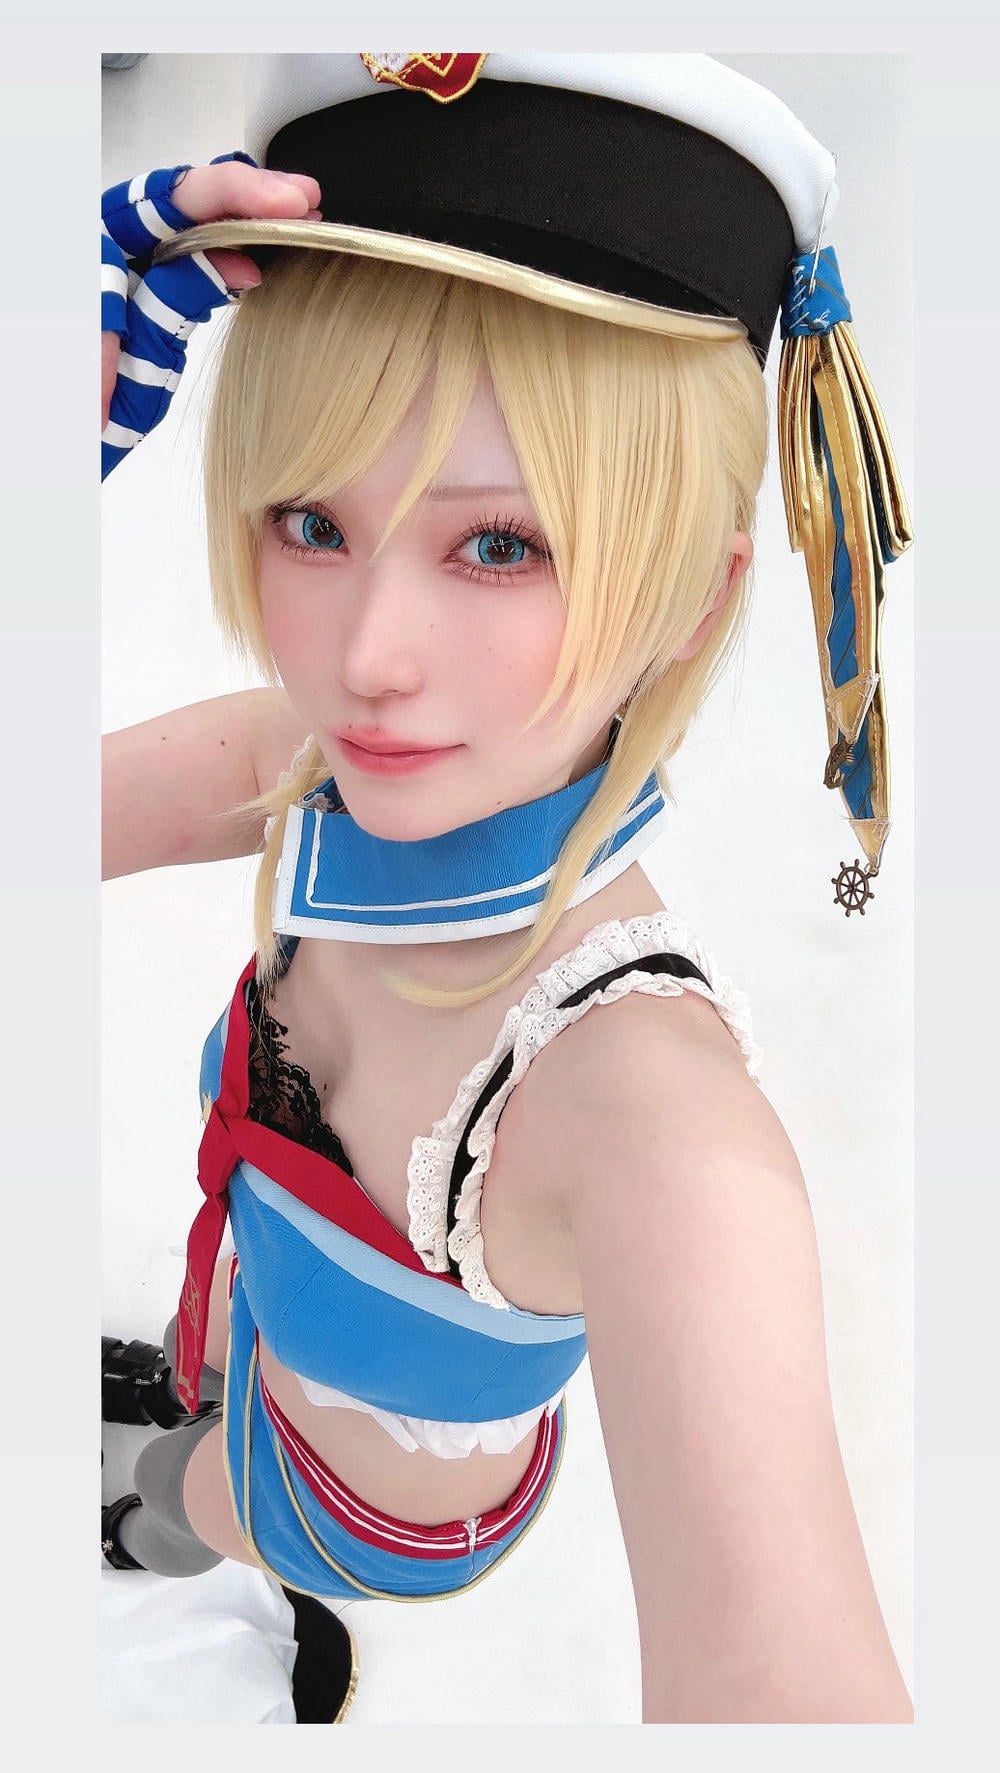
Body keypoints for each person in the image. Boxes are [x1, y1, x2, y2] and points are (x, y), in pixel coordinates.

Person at [101, 53, 913, 1724]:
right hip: (264, 1320)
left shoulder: (655, 1130)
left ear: (694, 597)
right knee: (221, 1384)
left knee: (181, 1493)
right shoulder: (322, 762)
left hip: (365, 1504)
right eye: (310, 519)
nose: (367, 655)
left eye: (497, 545)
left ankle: (146, 1505)